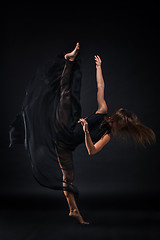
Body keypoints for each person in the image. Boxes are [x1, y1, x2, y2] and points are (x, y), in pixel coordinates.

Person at [9, 43, 156, 225]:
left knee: (68, 179)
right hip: (65, 125)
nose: (119, 128)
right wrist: (99, 67)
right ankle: (69, 61)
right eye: (121, 124)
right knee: (66, 95)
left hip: (64, 144)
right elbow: (100, 86)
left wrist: (86, 132)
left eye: (122, 128)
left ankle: (73, 211)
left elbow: (91, 151)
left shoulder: (107, 135)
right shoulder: (103, 110)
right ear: (117, 118)